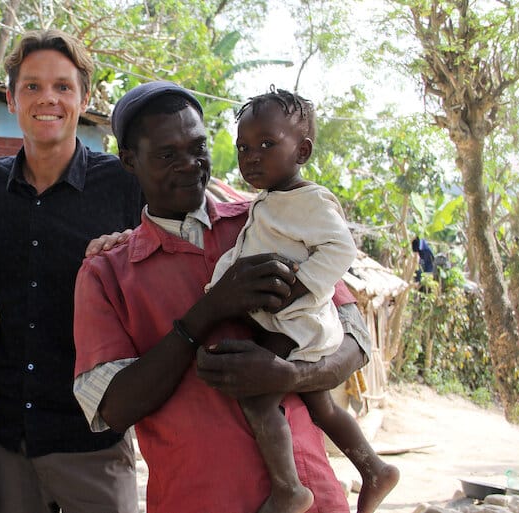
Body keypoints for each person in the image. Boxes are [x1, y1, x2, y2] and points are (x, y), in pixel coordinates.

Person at [72, 81, 373, 513]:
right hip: (199, 500)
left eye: (198, 147)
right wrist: (208, 311)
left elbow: (356, 341)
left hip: (314, 498)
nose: (190, 164)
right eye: (166, 154)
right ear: (130, 162)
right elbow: (114, 409)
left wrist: (289, 377)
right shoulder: (106, 273)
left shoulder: (271, 218)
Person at [205, 87, 399, 513]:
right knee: (323, 405)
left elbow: (340, 248)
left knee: (257, 397)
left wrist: (300, 286)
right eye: (243, 147)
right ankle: (373, 469)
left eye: (267, 144)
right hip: (290, 321)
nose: (251, 156)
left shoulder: (308, 200)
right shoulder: (272, 199)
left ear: (303, 150)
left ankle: (288, 488)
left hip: (295, 322)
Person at [0, 30, 142, 513]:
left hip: (92, 440)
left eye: (63, 87)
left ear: (84, 99)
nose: (48, 98)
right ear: (10, 98)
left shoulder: (123, 185)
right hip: (10, 444)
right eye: (32, 86)